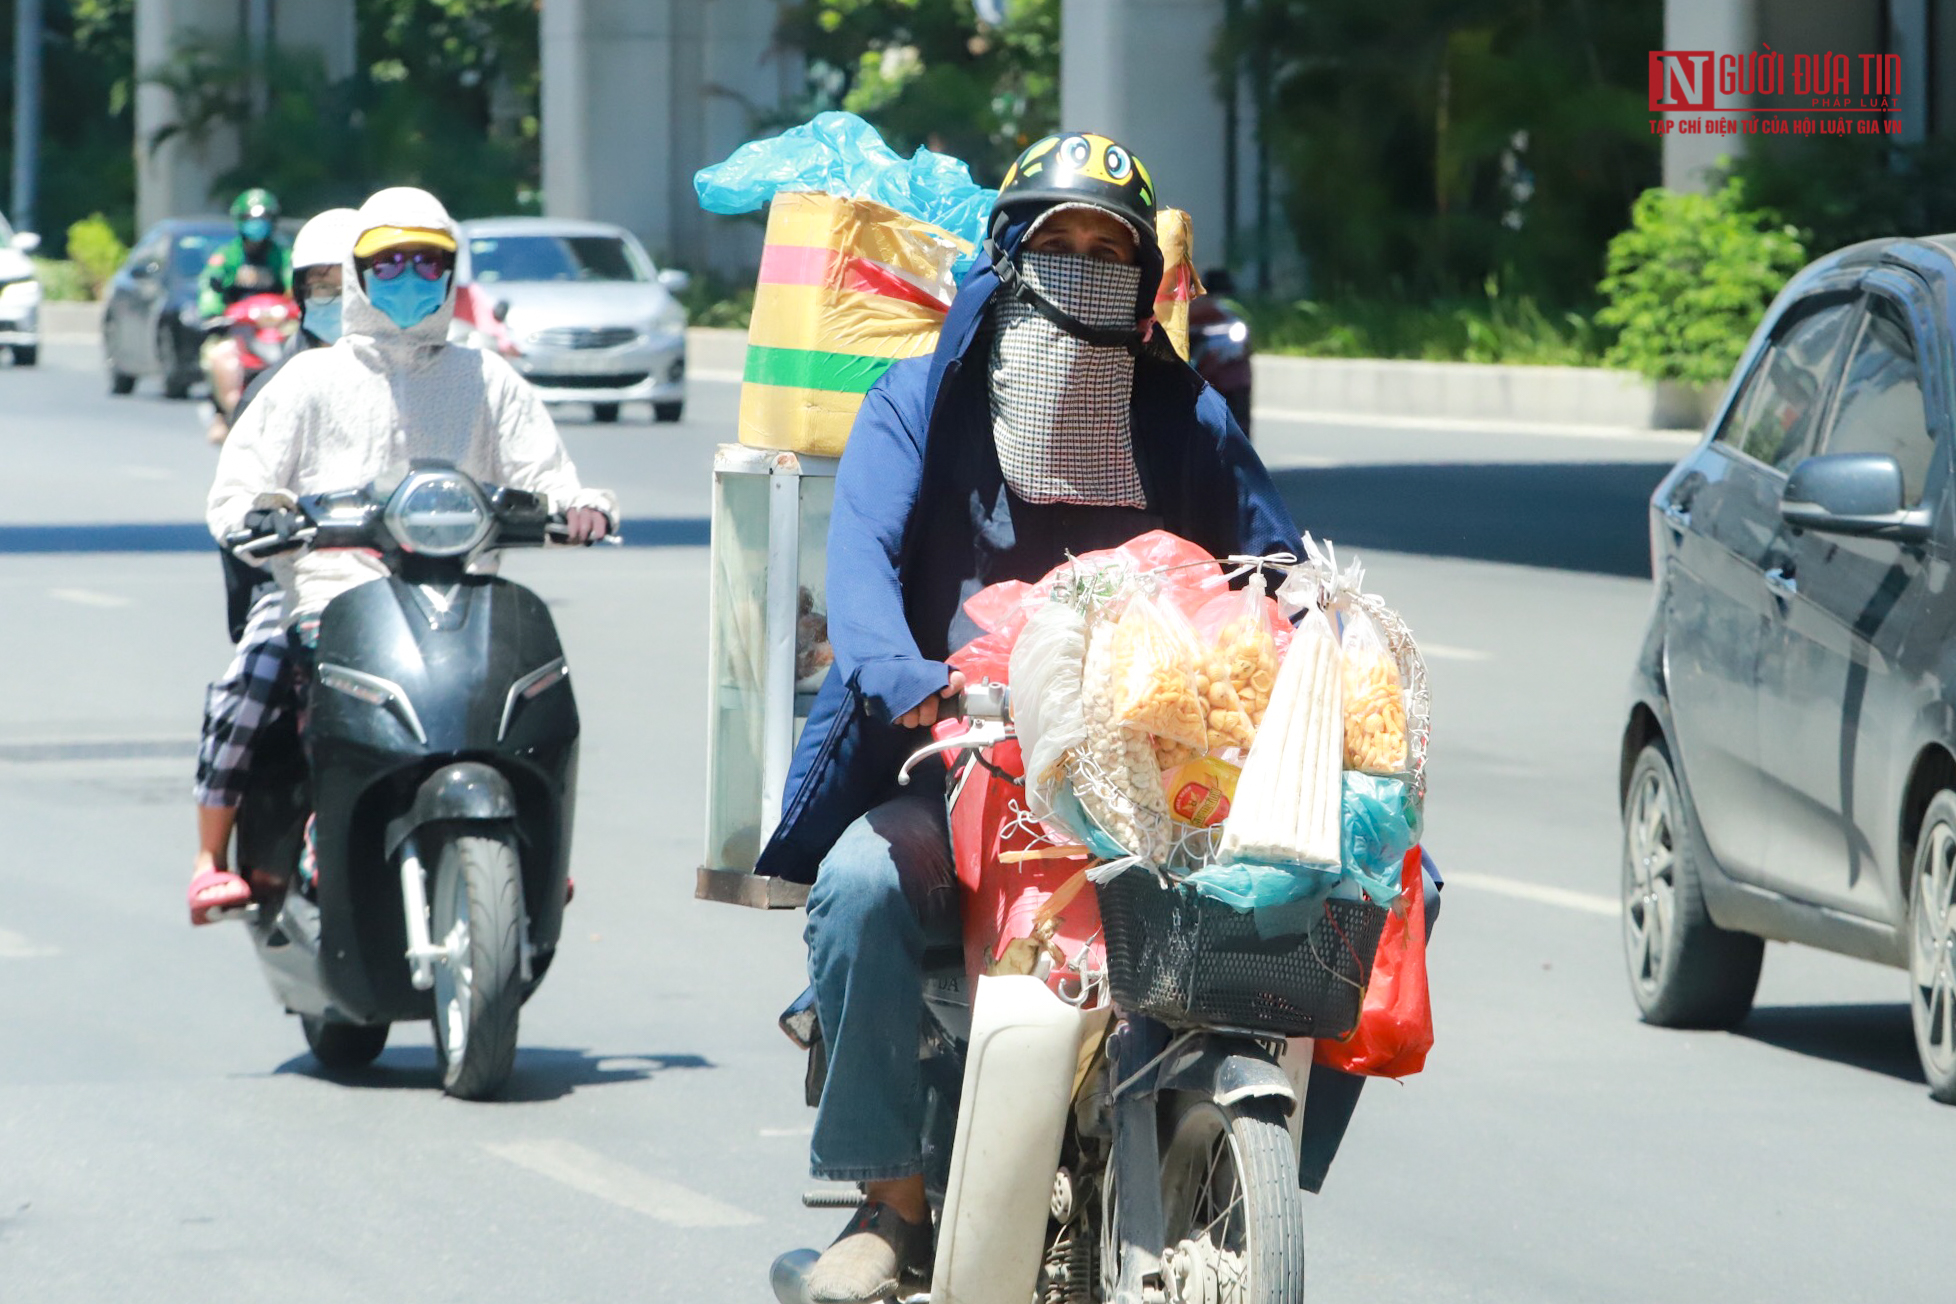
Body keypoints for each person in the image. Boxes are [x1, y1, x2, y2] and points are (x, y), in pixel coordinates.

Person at [758, 132, 1303, 1303]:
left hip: (1155, 772)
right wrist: (913, 674)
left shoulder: (1188, 417)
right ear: (1007, 260)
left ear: (1145, 282)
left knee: (1361, 886)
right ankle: (889, 1199)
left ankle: (1238, 1160)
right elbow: (857, 569)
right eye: (1060, 245)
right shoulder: (920, 398)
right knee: (860, 885)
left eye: (1112, 251)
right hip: (966, 752)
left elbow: (1276, 563)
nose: (1087, 268)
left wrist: (1330, 659)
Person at [187, 185, 616, 925]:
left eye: (428, 261)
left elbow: (548, 476)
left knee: (540, 694)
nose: (410, 276)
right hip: (331, 593)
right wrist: (262, 514)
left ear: (453, 275)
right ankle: (217, 855)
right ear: (359, 275)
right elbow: (238, 488)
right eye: (390, 263)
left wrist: (579, 508)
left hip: (461, 593)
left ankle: (537, 845)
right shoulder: (307, 380)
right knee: (251, 682)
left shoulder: (486, 378)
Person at [199, 188, 294, 440]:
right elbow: (210, 287)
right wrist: (212, 314)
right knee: (217, 354)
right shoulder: (226, 256)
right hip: (237, 328)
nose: (257, 227)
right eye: (251, 221)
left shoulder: (282, 255)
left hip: (274, 327)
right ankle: (222, 411)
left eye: (262, 221)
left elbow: (293, 286)